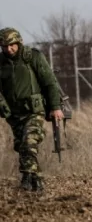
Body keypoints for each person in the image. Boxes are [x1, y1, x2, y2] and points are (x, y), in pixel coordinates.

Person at [0, 27, 63, 191]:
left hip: (34, 111)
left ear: (18, 42)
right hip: (14, 114)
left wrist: (55, 107)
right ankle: (37, 182)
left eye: (12, 45)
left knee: (29, 143)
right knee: (22, 147)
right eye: (4, 46)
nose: (9, 49)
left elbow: (50, 83)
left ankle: (26, 179)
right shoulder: (1, 63)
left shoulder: (32, 57)